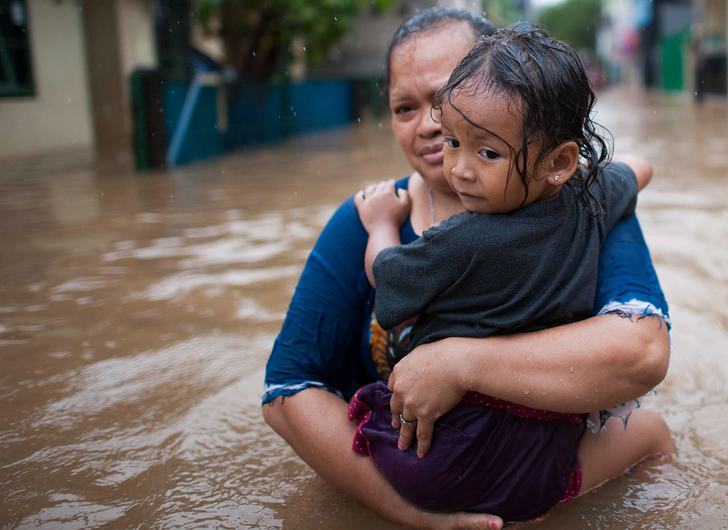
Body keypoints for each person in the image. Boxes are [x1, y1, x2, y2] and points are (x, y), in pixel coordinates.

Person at [260, 8, 672, 529]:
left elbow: (640, 352)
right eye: (405, 107)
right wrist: (413, 515)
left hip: (537, 474)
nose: (432, 125)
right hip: (435, 483)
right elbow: (288, 390)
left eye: (447, 95)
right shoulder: (363, 216)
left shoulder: (581, 201)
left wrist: (459, 364)